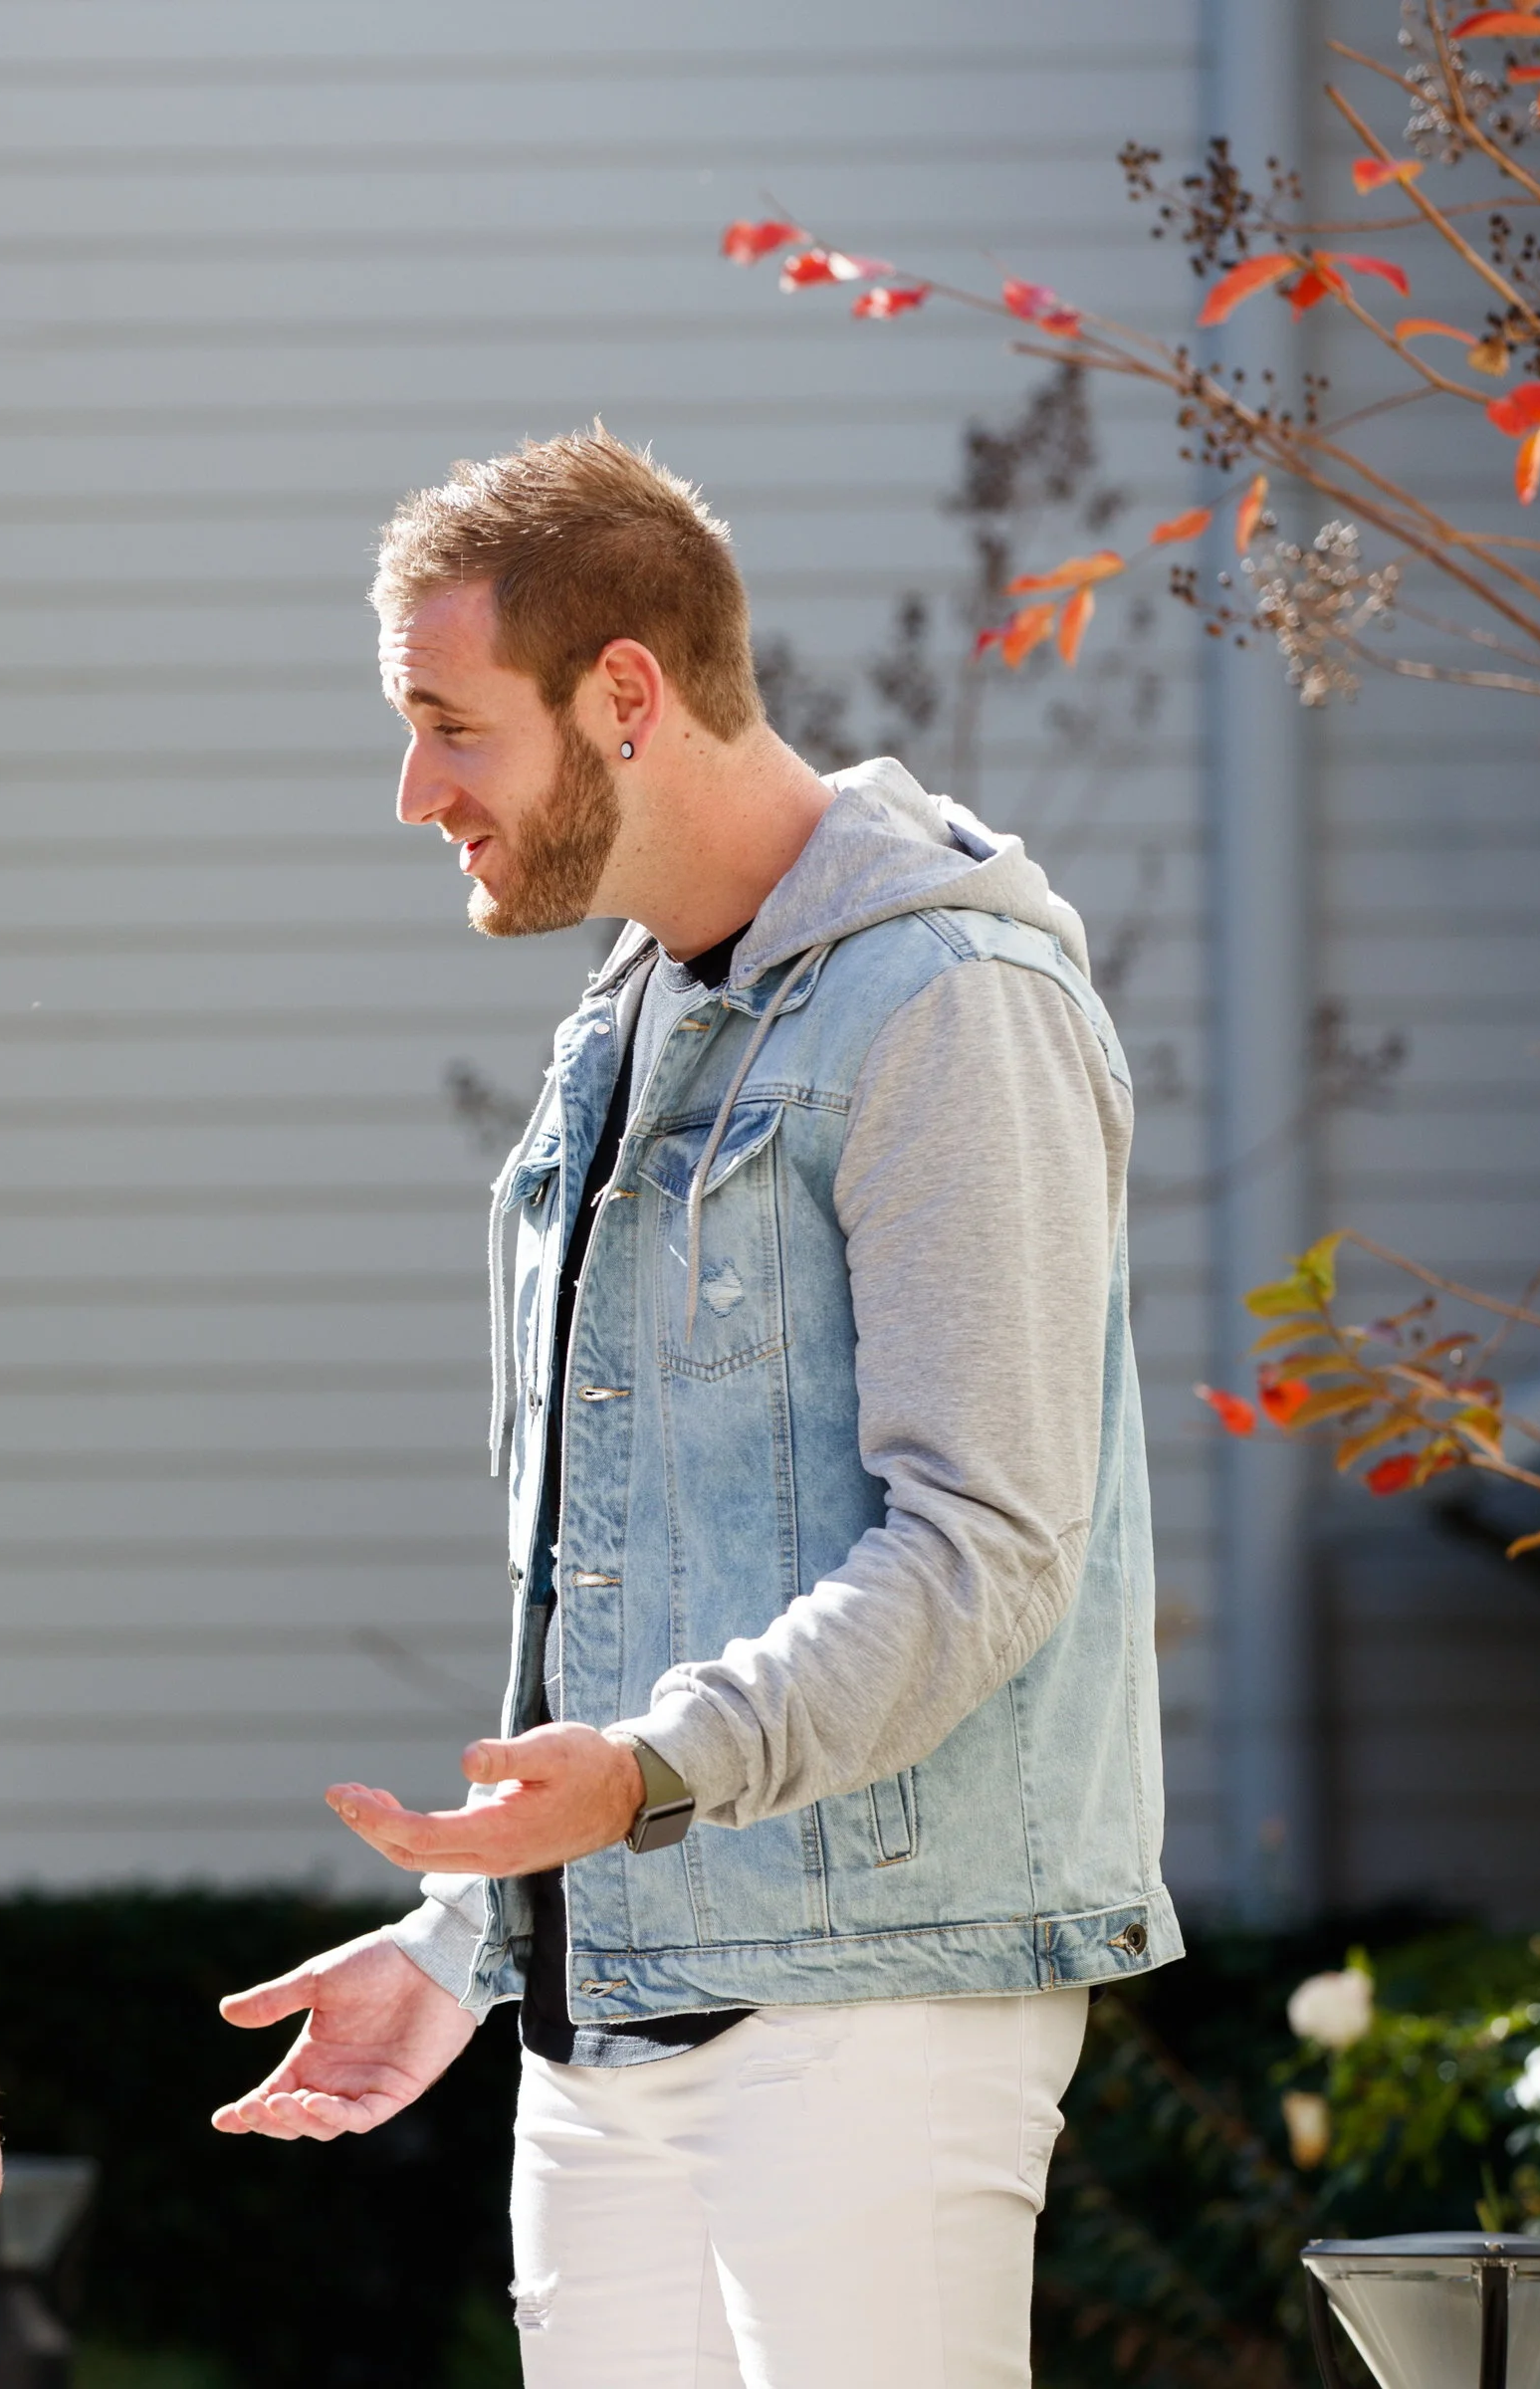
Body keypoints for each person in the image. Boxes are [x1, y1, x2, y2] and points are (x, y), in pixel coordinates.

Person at [213, 430, 1179, 2388]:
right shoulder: (626, 1028)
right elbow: (611, 1564)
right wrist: (461, 1944)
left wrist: (655, 1769)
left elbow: (985, 1543)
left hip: (877, 2008)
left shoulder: (945, 1008)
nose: (416, 793)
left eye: (449, 724)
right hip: (607, 2010)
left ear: (626, 697)